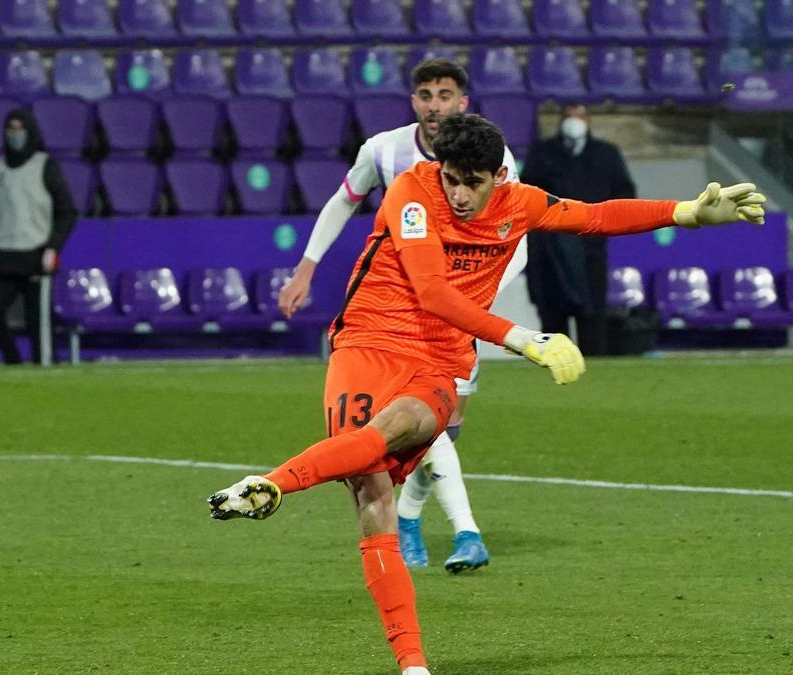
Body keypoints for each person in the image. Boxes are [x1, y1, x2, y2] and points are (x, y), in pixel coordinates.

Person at [207, 114, 764, 675]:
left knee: (396, 433)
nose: (460, 193)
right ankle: (411, 662)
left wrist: (688, 213)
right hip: (367, 343)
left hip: (439, 360)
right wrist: (525, 339)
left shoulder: (518, 202)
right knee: (370, 495)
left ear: (499, 175)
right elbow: (430, 291)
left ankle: (273, 486)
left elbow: (593, 217)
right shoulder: (413, 193)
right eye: (452, 178)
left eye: (473, 182)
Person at [277, 58, 522, 573]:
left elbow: (516, 233)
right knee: (413, 429)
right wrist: (306, 269)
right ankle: (463, 531)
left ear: (463, 103)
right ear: (414, 101)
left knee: (444, 430)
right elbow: (341, 202)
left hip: (457, 316)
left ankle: (409, 517)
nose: (436, 105)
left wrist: (480, 296)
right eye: (426, 95)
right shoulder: (384, 150)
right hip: (398, 320)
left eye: (445, 95)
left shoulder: (492, 158)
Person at [520, 103, 637, 356]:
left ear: (589, 119)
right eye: (568, 114)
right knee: (552, 316)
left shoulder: (606, 154)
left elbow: (625, 193)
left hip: (591, 247)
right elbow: (525, 195)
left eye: (579, 114)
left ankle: (595, 372)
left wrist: (605, 217)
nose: (573, 119)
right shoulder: (542, 153)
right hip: (550, 249)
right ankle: (557, 366)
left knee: (593, 315)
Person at [0, 109, 76, 365]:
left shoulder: (45, 165)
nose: (15, 134)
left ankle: (45, 368)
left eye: (20, 128)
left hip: (36, 253)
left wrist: (53, 247)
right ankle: (13, 363)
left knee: (38, 322)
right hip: (3, 254)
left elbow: (67, 211)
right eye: (10, 128)